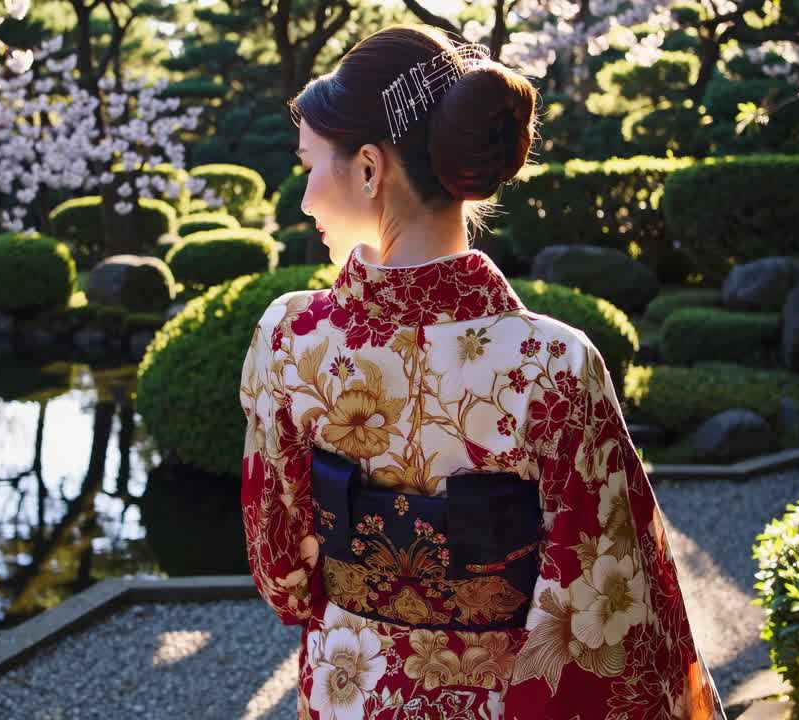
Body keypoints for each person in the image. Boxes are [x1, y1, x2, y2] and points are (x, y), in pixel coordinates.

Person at [238, 24, 727, 720]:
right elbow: (606, 609)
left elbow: (281, 573)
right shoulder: (553, 364)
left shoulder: (291, 340)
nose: (307, 198)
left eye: (311, 165)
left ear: (370, 168)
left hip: (352, 692)